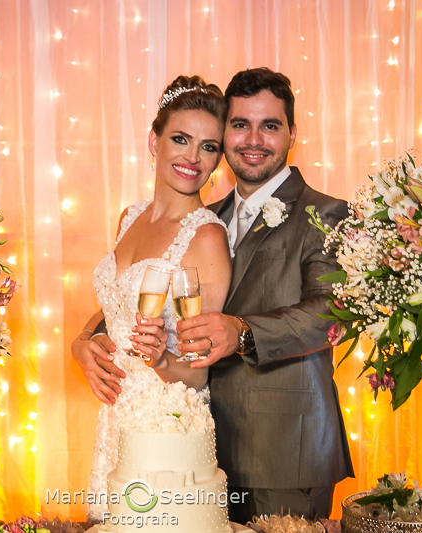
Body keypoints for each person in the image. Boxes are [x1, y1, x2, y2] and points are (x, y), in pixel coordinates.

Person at [175, 67, 355, 521]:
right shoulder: (201, 217)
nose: (253, 139)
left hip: (286, 451)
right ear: (225, 132)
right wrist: (93, 337)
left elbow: (330, 311)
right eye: (240, 124)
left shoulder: (327, 213)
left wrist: (242, 332)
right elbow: (149, 285)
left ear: (292, 133)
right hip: (201, 449)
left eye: (269, 125)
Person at [70, 75, 233, 521]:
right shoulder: (130, 216)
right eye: (181, 139)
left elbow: (199, 377)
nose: (193, 158)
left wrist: (161, 358)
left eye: (209, 147)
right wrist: (81, 341)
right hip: (115, 410)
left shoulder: (206, 239)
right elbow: (115, 307)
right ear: (152, 140)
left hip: (162, 424)